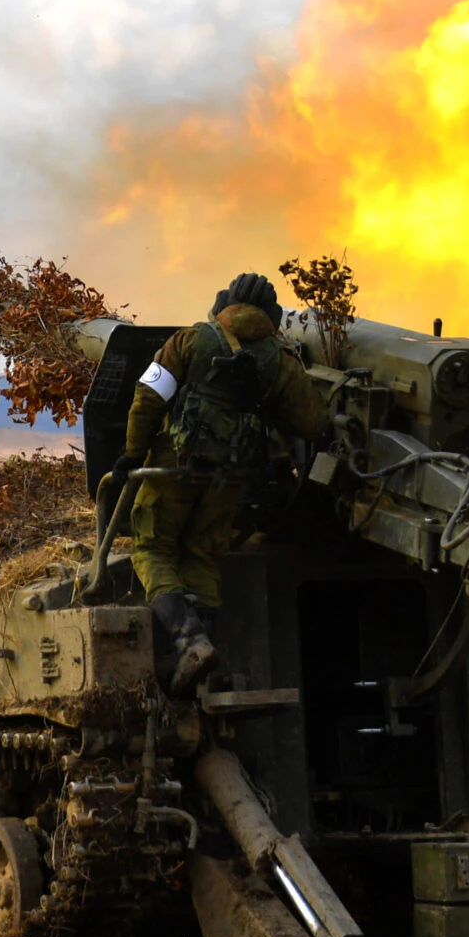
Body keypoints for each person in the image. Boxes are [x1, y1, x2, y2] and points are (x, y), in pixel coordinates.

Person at [119, 273, 331, 691]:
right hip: (228, 479)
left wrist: (132, 452)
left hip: (173, 469)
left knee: (151, 547)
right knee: (202, 557)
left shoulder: (191, 340)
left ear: (225, 305)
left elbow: (148, 397)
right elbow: (313, 422)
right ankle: (205, 658)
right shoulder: (281, 360)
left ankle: (189, 641)